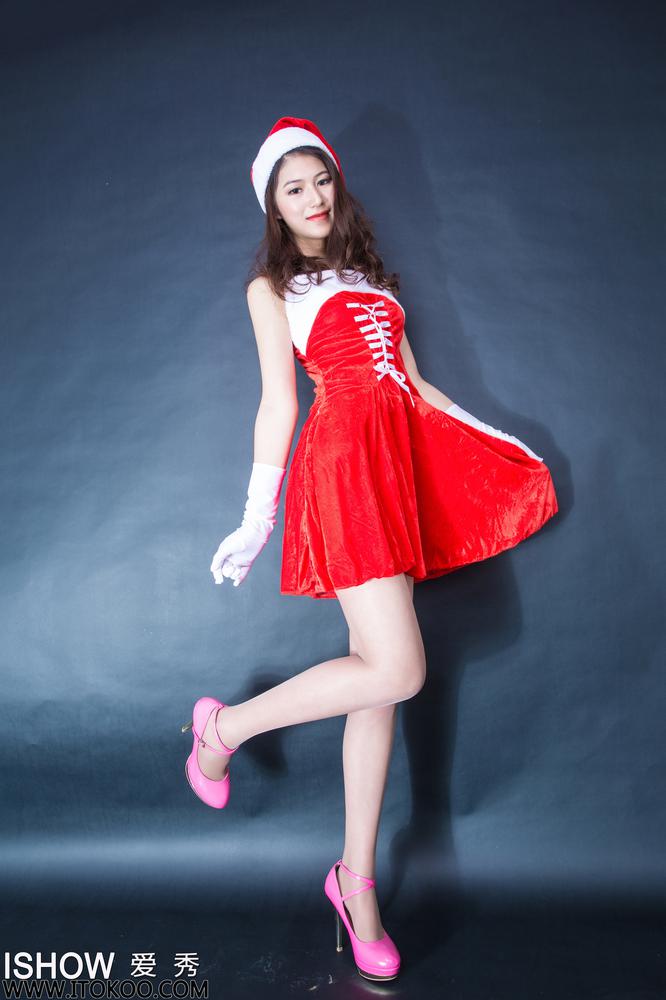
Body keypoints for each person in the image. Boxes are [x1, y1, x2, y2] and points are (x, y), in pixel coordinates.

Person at [181, 116, 559, 982]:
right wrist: (257, 516)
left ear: (336, 184)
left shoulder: (374, 279)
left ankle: (355, 886)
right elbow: (280, 403)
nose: (313, 197)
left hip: (392, 471)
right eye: (293, 188)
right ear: (274, 206)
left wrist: (499, 445)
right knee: (400, 668)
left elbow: (415, 386)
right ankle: (224, 727)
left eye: (321, 180)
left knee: (377, 682)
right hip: (343, 468)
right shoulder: (271, 290)